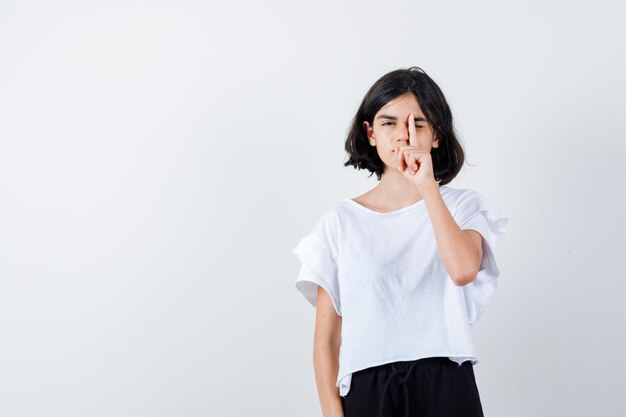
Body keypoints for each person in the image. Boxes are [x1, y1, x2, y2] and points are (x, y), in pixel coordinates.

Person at [291, 66, 509, 417]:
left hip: (445, 380)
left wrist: (426, 185)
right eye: (389, 123)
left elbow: (464, 269)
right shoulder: (340, 223)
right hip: (368, 387)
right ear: (370, 133)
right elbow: (326, 343)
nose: (404, 135)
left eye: (418, 124)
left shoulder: (463, 206)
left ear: (436, 135)